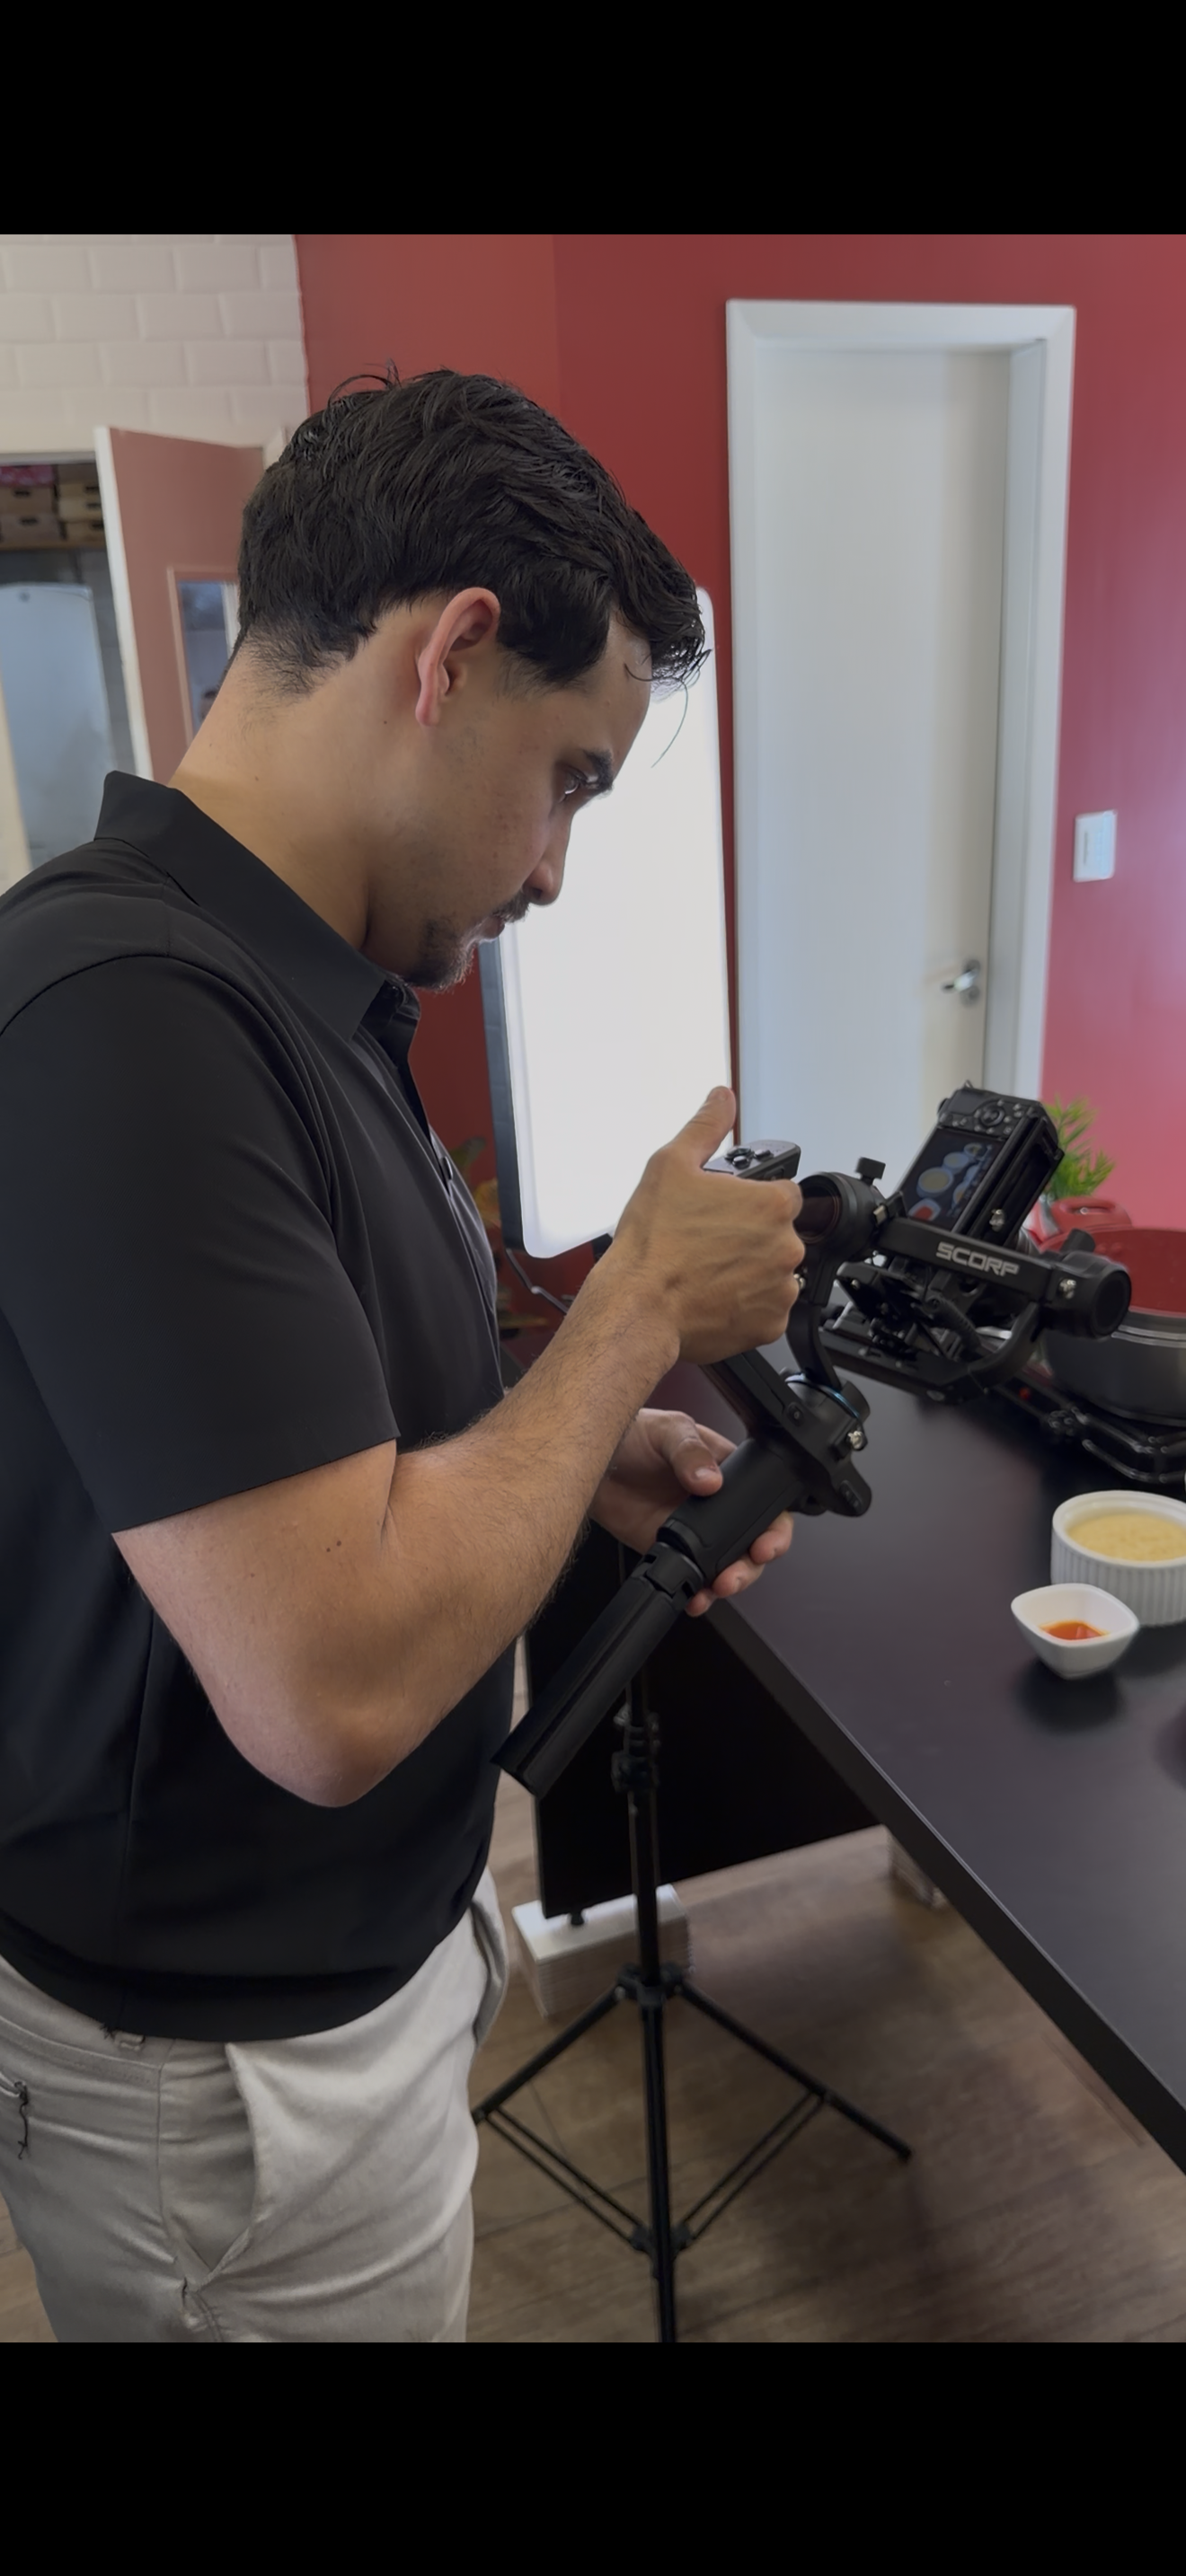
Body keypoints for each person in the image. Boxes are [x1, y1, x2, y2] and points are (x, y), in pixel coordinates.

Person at [0, 371, 803, 2343]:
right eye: (574, 779)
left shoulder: (302, 988)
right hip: (227, 2074)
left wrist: (570, 1451)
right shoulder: (128, 1016)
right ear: (450, 656)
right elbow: (330, 1684)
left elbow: (300, 1449)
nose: (556, 869)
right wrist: (631, 1311)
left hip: (348, 1980)